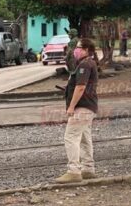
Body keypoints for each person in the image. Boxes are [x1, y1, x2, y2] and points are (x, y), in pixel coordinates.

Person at [56, 38, 100, 183]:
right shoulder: (88, 63)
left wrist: (71, 106)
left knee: (70, 137)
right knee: (84, 138)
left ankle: (73, 171)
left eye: (79, 47)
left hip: (82, 107)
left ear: (86, 50)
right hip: (89, 106)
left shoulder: (85, 65)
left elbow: (80, 87)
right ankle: (88, 169)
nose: (76, 50)